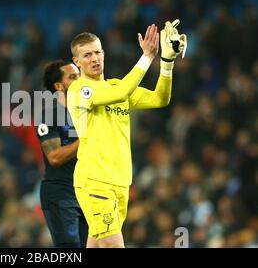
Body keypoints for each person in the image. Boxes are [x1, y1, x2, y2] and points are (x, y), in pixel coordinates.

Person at [67, 21, 186, 248]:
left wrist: (167, 62)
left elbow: (160, 98)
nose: (94, 58)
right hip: (95, 182)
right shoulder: (80, 89)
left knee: (97, 244)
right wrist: (147, 57)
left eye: (98, 52)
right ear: (77, 62)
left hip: (120, 182)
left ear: (104, 54)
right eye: (87, 55)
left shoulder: (116, 86)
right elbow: (122, 92)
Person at [36, 60, 89, 248]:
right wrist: (86, 138)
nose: (80, 80)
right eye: (73, 77)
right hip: (62, 194)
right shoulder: (49, 115)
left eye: (79, 75)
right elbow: (55, 157)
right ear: (59, 86)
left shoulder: (87, 113)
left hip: (88, 193)